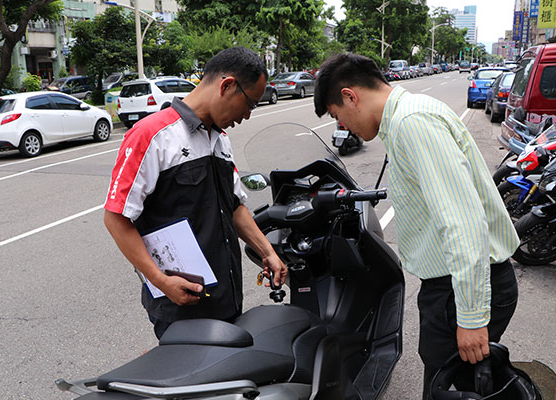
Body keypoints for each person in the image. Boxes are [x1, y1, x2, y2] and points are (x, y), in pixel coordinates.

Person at [313, 53, 520, 399]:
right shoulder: (406, 119)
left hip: (459, 289)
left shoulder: (412, 123)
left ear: (351, 96)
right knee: (453, 383)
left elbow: (462, 223)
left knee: (448, 388)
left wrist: (470, 317)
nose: (343, 128)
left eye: (338, 117)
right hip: (451, 285)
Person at [103, 46, 287, 339]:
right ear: (227, 86)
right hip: (180, 306)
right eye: (250, 104)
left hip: (226, 298)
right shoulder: (152, 135)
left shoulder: (220, 141)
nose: (247, 116)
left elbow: (235, 207)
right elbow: (116, 217)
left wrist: (268, 252)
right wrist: (161, 282)